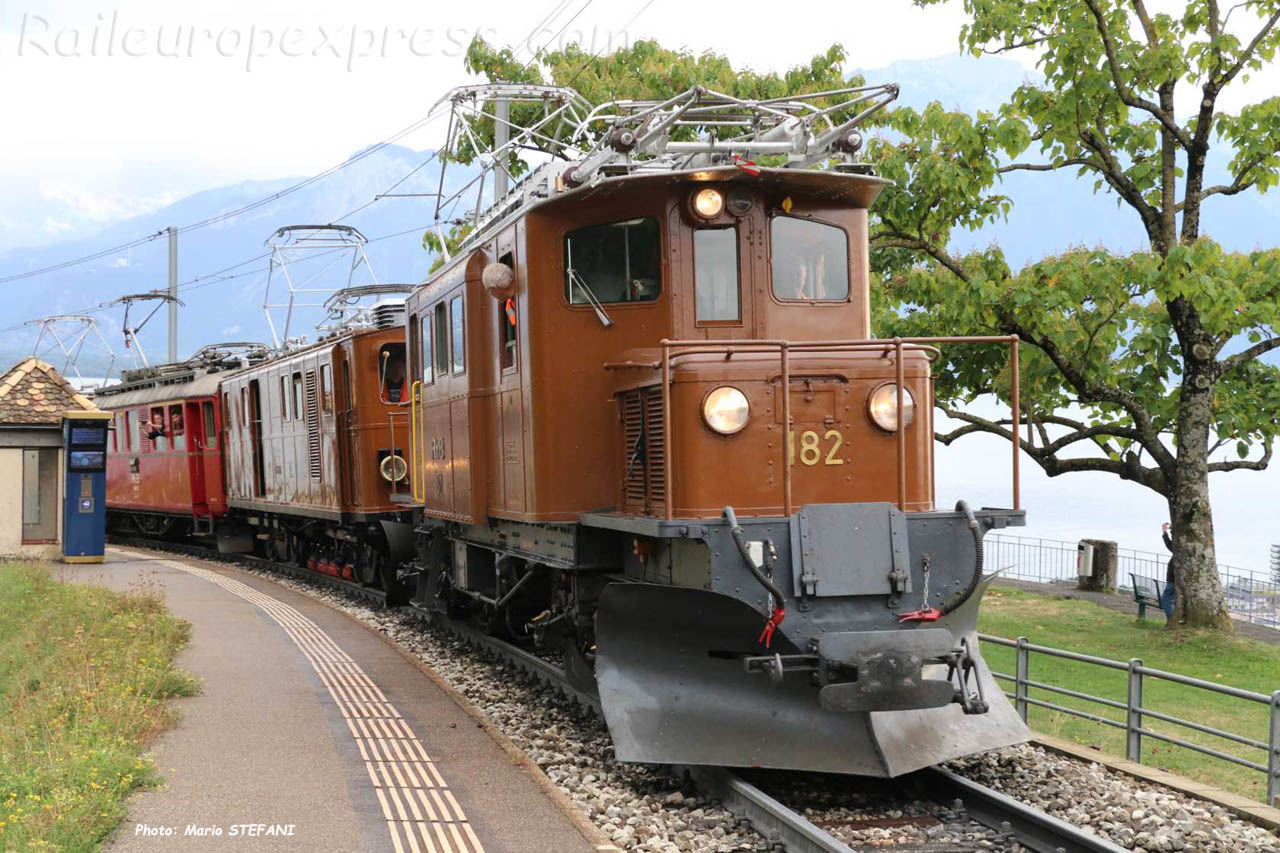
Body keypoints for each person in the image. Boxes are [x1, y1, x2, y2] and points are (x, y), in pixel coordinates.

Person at [1160, 522, 1176, 619]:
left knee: (1166, 600)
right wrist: (1166, 532)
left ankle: (1171, 620)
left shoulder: (1179, 553)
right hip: (1173, 579)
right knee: (1170, 600)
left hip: (1173, 580)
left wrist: (1165, 532)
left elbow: (1170, 545)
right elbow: (1170, 545)